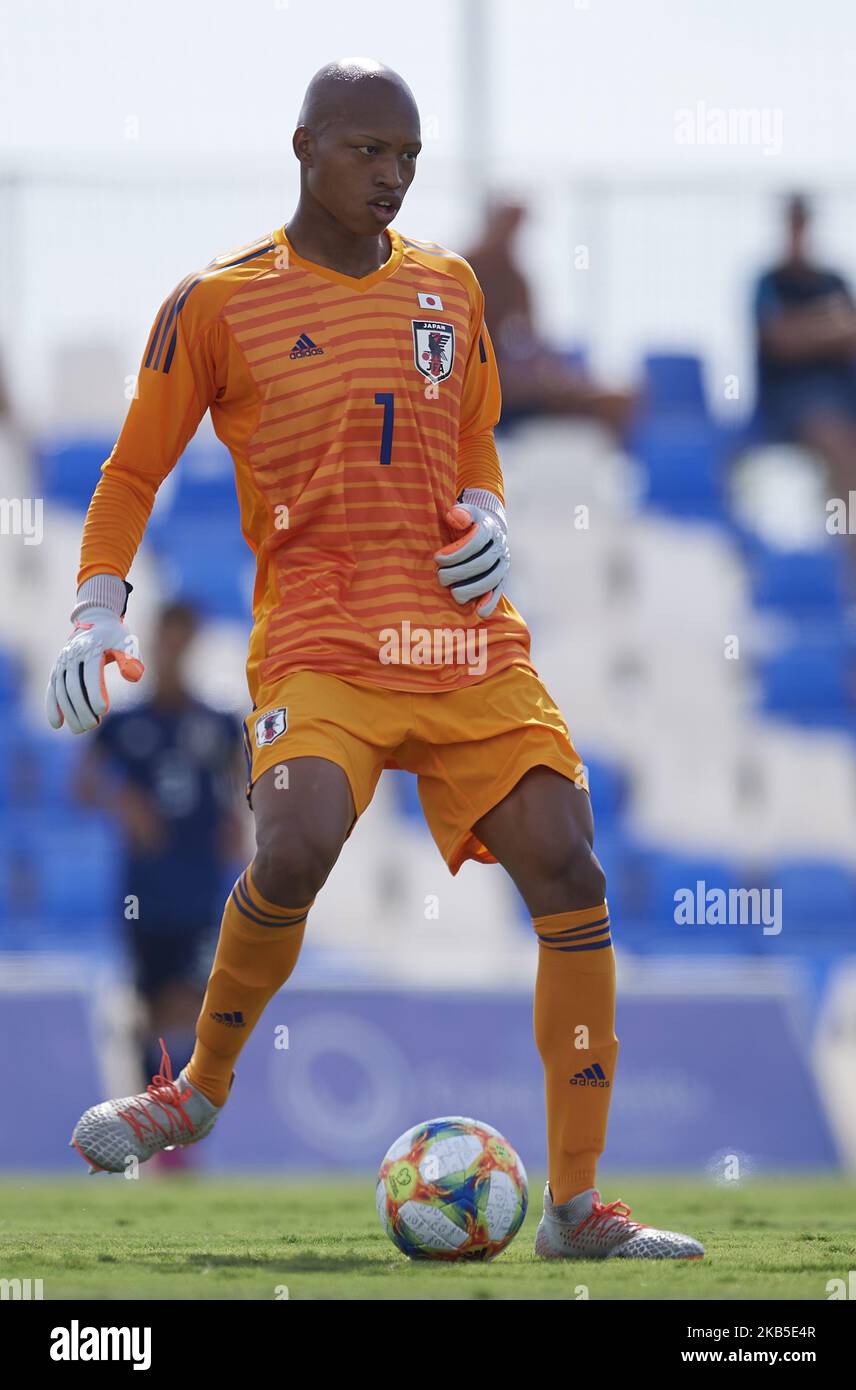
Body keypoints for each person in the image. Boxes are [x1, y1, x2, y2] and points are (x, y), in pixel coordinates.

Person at [46, 58, 701, 1260]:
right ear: (305, 147)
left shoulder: (447, 289)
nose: (391, 175)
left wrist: (493, 522)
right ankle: (193, 1090)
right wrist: (97, 608)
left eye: (406, 155)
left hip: (465, 647)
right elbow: (131, 469)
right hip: (322, 642)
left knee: (570, 869)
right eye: (366, 152)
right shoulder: (217, 300)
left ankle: (573, 1208)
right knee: (290, 846)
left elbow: (476, 446)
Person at [74, 600, 245, 1165]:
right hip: (142, 893)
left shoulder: (216, 721)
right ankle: (150, 1127)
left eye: (184, 639)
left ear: (193, 645)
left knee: (184, 1005)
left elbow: (241, 782)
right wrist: (126, 805)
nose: (175, 650)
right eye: (167, 639)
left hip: (198, 889)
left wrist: (236, 821)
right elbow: (82, 786)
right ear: (156, 642)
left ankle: (170, 1142)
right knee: (148, 1011)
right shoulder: (127, 724)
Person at [464, 196, 635, 436]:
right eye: (508, 223)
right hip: (473, 381)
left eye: (518, 225)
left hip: (508, 380)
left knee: (617, 399)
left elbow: (532, 342)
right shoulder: (461, 270)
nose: (513, 233)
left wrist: (553, 374)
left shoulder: (516, 281)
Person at [753, 194, 856, 538]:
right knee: (838, 442)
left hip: (844, 400)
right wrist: (830, 327)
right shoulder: (769, 282)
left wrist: (805, 330)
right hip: (790, 405)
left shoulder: (835, 281)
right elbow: (780, 341)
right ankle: (855, 546)